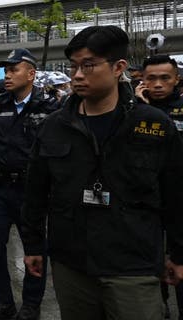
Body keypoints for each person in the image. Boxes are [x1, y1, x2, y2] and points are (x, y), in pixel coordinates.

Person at [21, 25, 183, 320]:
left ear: (118, 67)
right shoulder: (54, 127)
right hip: (72, 262)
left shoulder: (154, 125)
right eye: (74, 66)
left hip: (133, 265)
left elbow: (175, 194)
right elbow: (36, 191)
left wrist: (178, 252)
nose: (78, 74)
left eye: (89, 65)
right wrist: (33, 245)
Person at [0, 48, 57, 320]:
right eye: (6, 70)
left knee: (35, 248)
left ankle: (31, 305)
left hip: (31, 190)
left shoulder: (50, 107)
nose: (8, 75)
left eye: (14, 69)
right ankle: (3, 302)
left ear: (31, 73)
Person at [134, 54, 183, 318]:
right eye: (151, 78)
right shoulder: (131, 111)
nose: (158, 84)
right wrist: (139, 108)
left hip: (179, 201)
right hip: (146, 204)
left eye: (165, 78)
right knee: (153, 278)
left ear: (176, 79)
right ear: (141, 80)